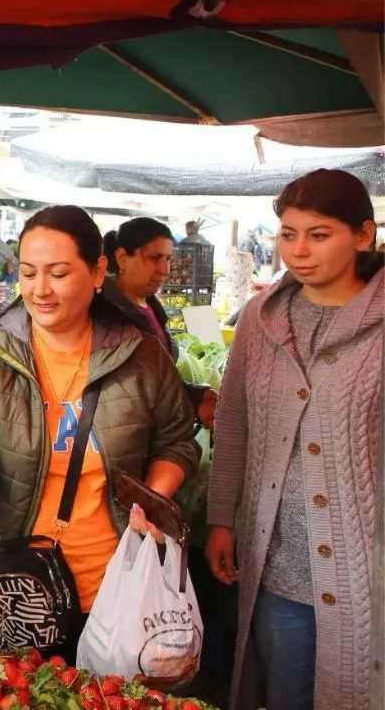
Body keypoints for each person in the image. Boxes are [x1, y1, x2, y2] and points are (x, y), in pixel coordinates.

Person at [0, 205, 200, 639]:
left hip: (113, 585)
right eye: (28, 272)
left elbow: (177, 443)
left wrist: (153, 497)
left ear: (98, 272)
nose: (40, 290)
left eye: (58, 273)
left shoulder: (143, 356)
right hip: (12, 585)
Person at [205, 169, 382, 710]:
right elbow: (233, 424)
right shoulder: (262, 317)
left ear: (363, 235)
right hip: (278, 565)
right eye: (288, 234)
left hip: (367, 568)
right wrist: (221, 520)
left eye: (319, 234)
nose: (298, 251)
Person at [101, 218, 217, 427]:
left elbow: (157, 379)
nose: (164, 269)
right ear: (122, 258)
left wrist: (197, 396)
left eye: (168, 259)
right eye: (154, 258)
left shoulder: (152, 308)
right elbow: (128, 390)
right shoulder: (106, 314)